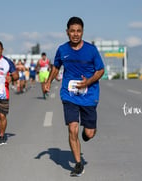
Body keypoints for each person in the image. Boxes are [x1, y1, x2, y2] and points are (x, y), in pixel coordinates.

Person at [44, 16, 104, 177]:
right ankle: (78, 164)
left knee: (89, 133)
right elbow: (56, 67)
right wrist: (48, 81)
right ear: (67, 32)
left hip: (89, 95)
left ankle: (87, 133)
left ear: (82, 32)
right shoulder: (62, 50)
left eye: (79, 31)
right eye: (72, 31)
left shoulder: (91, 50)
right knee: (72, 128)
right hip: (69, 94)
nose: (76, 34)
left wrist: (88, 82)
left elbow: (100, 70)